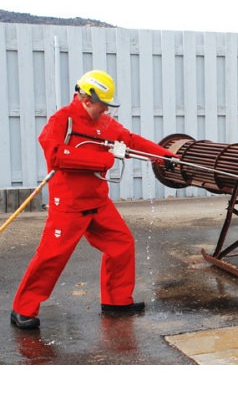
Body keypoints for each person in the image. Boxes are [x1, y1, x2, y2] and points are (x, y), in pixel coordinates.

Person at [11, 70, 178, 329]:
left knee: (121, 244)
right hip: (68, 206)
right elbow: (55, 155)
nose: (106, 111)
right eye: (103, 105)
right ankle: (23, 309)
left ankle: (117, 301)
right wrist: (104, 160)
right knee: (50, 258)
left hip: (98, 203)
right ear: (86, 99)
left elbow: (131, 141)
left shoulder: (105, 124)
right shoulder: (61, 121)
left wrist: (163, 156)